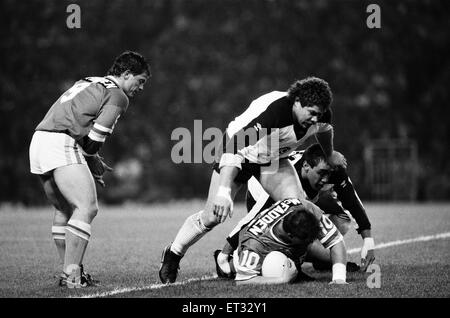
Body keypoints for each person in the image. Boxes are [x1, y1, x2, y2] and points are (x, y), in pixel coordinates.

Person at [159, 76, 346, 283]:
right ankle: (174, 253)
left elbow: (325, 129)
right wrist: (224, 193)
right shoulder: (275, 112)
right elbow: (234, 147)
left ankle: (292, 264)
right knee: (212, 216)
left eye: (318, 114)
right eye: (311, 113)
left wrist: (329, 154)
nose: (314, 119)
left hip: (272, 159)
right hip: (240, 152)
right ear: (298, 101)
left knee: (298, 210)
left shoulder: (320, 115)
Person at [29, 51, 150, 288]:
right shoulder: (118, 96)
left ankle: (69, 273)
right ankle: (72, 275)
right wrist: (92, 157)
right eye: (141, 81)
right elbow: (93, 142)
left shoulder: (89, 80)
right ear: (126, 74)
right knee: (87, 207)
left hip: (39, 139)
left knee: (65, 209)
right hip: (61, 142)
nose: (141, 88)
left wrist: (91, 157)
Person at [215, 143, 375, 279]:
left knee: (343, 217)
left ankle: (319, 258)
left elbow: (352, 201)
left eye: (329, 174)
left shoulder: (333, 169)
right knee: (291, 230)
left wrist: (368, 241)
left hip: (304, 197)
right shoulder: (284, 182)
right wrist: (225, 253)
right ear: (306, 167)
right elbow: (252, 218)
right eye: (321, 173)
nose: (326, 179)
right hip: (259, 195)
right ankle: (297, 263)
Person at [232, 198, 348, 285]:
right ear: (290, 235)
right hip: (250, 255)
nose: (309, 242)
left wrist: (339, 278)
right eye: (305, 241)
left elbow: (336, 240)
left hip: (288, 250)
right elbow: (243, 280)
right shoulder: (255, 243)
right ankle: (226, 265)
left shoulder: (306, 209)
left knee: (332, 257)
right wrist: (282, 279)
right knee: (275, 263)